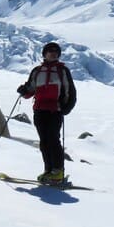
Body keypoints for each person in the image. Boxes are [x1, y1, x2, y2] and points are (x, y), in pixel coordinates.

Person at [17, 41, 77, 185]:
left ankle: (58, 171)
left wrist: (67, 107)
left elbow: (70, 91)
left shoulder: (63, 71)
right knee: (44, 141)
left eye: (55, 51)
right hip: (39, 110)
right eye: (50, 51)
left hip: (55, 110)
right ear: (44, 54)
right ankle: (49, 171)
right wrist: (24, 90)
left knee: (53, 139)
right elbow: (31, 89)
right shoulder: (37, 71)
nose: (53, 53)